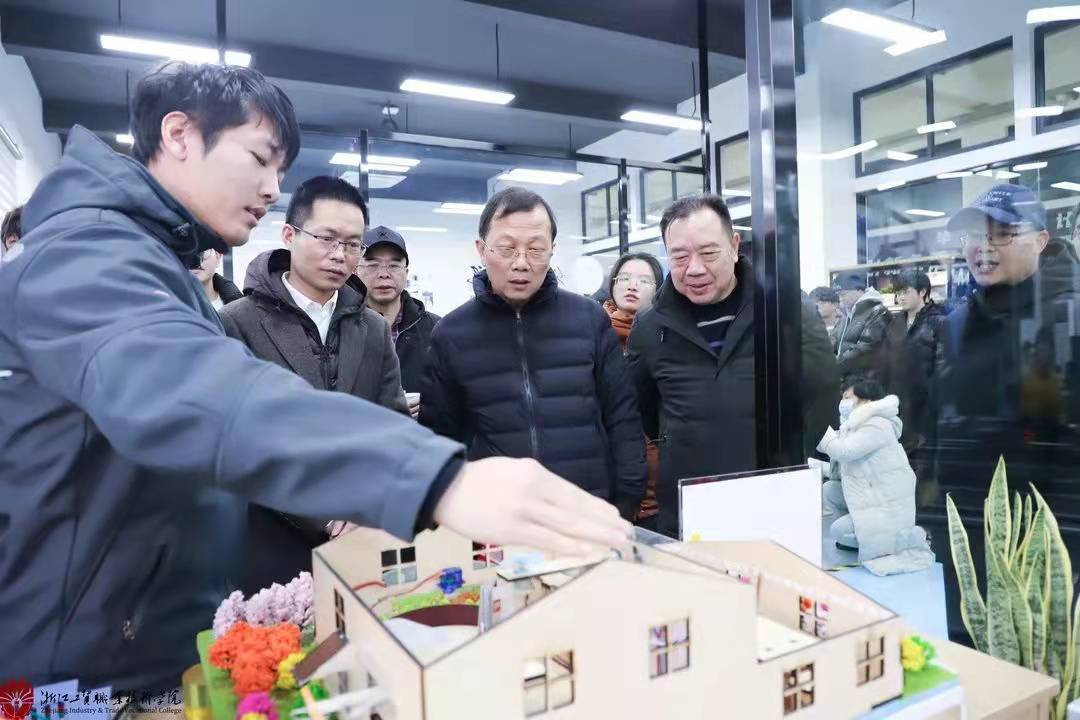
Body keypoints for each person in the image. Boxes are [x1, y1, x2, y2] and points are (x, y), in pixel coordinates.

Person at [0, 62, 629, 692]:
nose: (272, 186)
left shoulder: (151, 260)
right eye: (260, 158)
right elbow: (205, 396)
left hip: (138, 647)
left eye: (281, 169)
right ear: (180, 134)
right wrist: (435, 478)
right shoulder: (88, 257)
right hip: (69, 683)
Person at [219, 175, 410, 594]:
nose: (340, 255)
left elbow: (393, 426)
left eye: (352, 244)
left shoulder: (373, 328)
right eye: (326, 239)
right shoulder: (237, 323)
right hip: (272, 546)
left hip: (364, 537)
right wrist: (327, 517)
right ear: (289, 235)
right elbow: (240, 445)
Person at [420, 187, 647, 519]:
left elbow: (622, 416)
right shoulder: (451, 333)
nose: (521, 263)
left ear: (552, 250)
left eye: (536, 249)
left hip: (587, 508)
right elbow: (440, 438)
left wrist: (627, 498)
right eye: (507, 249)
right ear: (481, 250)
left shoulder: (589, 319)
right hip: (498, 517)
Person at [628, 194, 838, 537]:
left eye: (709, 253)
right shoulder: (650, 326)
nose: (694, 268)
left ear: (734, 246)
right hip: (688, 506)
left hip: (775, 501)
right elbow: (646, 411)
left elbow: (822, 397)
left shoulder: (784, 312)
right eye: (679, 257)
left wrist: (788, 460)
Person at [817, 378, 931, 575]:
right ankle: (860, 538)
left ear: (866, 401)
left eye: (848, 397)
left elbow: (844, 451)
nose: (843, 402)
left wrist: (819, 431)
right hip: (872, 495)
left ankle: (871, 541)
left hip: (885, 504)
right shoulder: (854, 426)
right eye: (843, 397)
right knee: (829, 490)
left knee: (837, 531)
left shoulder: (877, 425)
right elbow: (843, 471)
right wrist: (819, 467)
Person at [602, 252, 664, 529]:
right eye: (624, 278)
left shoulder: (668, 338)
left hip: (661, 494)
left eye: (644, 280)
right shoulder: (593, 337)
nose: (632, 286)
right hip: (607, 493)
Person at [357, 225, 441, 417]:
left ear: (406, 272)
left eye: (394, 265)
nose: (384, 274)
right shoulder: (340, 327)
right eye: (373, 265)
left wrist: (431, 406)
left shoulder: (437, 330)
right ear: (356, 270)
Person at [890, 270, 946, 448]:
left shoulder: (938, 322)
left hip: (926, 403)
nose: (900, 298)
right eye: (898, 293)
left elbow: (943, 367)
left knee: (922, 452)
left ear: (922, 292)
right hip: (896, 401)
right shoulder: (894, 323)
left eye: (906, 292)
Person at [833, 271, 893, 386]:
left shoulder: (878, 312)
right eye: (838, 295)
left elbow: (865, 348)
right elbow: (833, 339)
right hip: (847, 380)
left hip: (867, 382)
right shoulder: (847, 314)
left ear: (859, 290)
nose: (840, 299)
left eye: (843, 294)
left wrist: (833, 365)